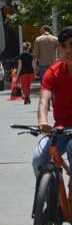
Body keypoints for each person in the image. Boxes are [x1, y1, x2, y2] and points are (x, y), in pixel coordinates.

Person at [33, 27, 72, 177]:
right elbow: (44, 100)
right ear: (59, 48)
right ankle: (50, 196)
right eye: (64, 46)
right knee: (38, 159)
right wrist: (42, 120)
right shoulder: (53, 73)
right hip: (61, 130)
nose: (68, 50)